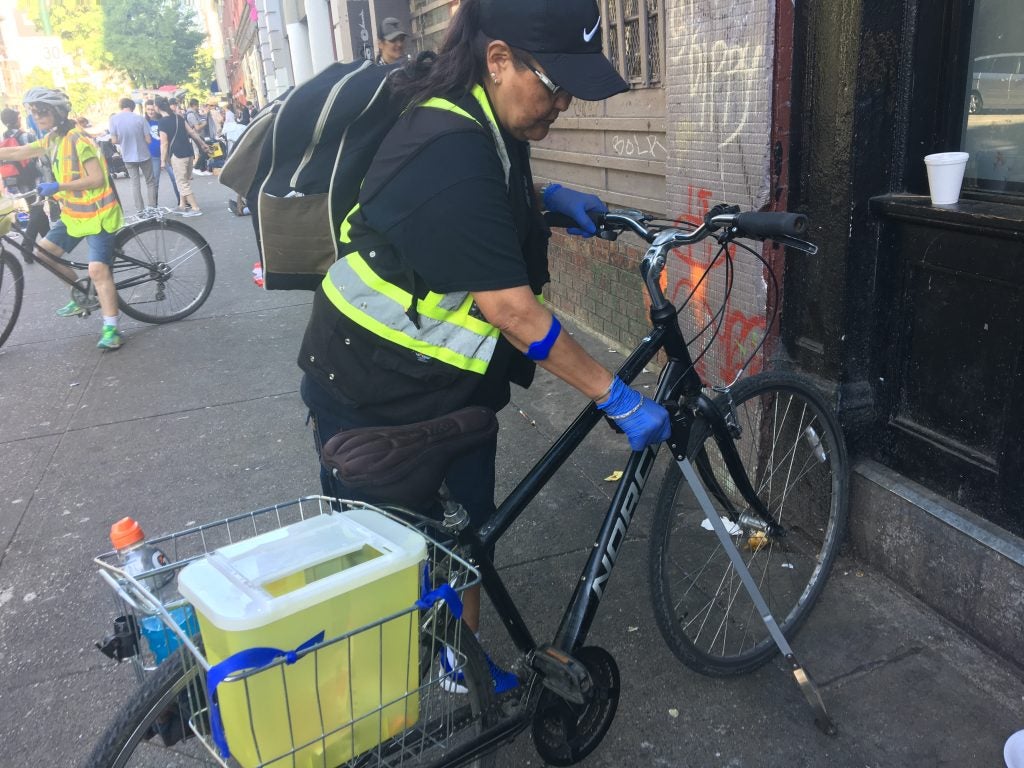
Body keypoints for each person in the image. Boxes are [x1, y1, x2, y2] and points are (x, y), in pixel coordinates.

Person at [297, 0, 667, 689]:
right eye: (552, 83)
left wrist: (543, 199)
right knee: (380, 563)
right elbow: (512, 313)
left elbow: (469, 203)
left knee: (468, 535)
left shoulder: (483, 114)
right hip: (369, 382)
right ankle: (352, 700)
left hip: (442, 384)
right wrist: (615, 395)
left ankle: (457, 665)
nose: (561, 104)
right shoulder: (451, 141)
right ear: (498, 59)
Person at [0, 88, 126, 350]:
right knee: (43, 253)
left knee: (98, 270)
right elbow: (18, 152)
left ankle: (111, 329)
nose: (37, 117)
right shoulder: (52, 140)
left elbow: (97, 179)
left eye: (42, 111)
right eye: (33, 113)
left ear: (57, 112)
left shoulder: (78, 139)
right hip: (75, 215)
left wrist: (58, 186)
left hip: (99, 214)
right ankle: (82, 292)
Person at [155, 95, 208, 216]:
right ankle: (182, 205)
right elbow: (192, 132)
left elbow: (164, 143)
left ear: (157, 107)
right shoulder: (178, 117)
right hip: (188, 153)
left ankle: (195, 208)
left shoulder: (162, 122)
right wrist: (202, 143)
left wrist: (163, 161)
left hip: (177, 155)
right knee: (183, 180)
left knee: (181, 182)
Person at [109, 98, 156, 212]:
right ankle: (152, 208)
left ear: (121, 106)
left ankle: (140, 210)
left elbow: (114, 140)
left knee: (135, 184)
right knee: (150, 182)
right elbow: (148, 140)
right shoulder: (140, 119)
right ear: (132, 107)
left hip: (128, 157)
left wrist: (125, 141)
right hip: (144, 154)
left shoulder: (113, 120)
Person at [144, 99, 179, 207]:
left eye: (152, 109)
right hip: (153, 155)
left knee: (175, 179)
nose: (150, 111)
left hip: (167, 154)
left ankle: (182, 201)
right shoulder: (144, 122)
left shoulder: (162, 120)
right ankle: (154, 205)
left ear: (156, 108)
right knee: (155, 182)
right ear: (145, 109)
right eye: (148, 109)